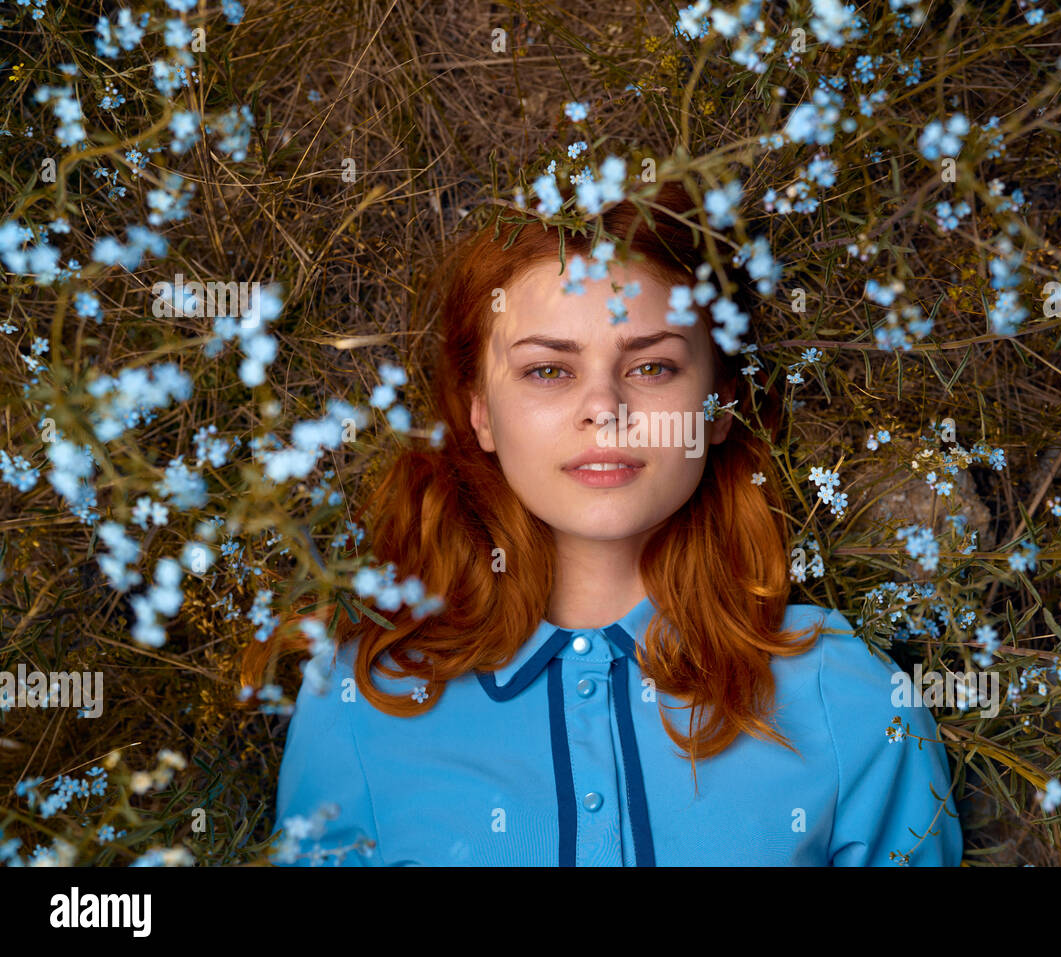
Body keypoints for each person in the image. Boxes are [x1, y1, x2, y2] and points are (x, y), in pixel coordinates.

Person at [245, 180, 963, 866]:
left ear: (719, 403)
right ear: (479, 411)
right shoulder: (363, 703)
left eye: (651, 367)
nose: (604, 408)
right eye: (547, 371)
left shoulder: (845, 696)